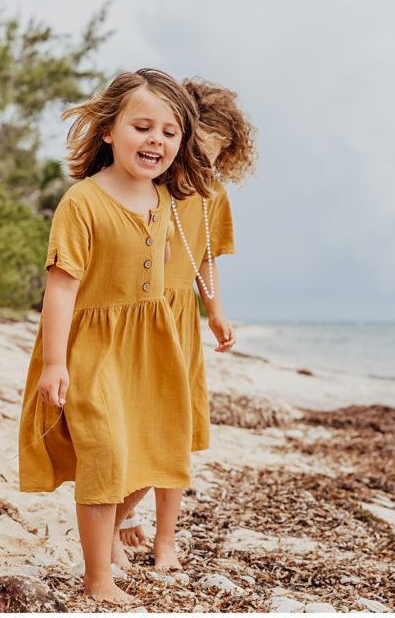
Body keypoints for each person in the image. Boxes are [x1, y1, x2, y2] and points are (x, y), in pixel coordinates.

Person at [17, 68, 213, 604]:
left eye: (170, 132)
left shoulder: (163, 202)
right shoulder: (83, 201)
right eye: (142, 126)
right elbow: (60, 290)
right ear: (109, 131)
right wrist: (55, 364)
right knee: (103, 457)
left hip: (151, 350)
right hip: (94, 352)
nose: (156, 140)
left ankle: (118, 536)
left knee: (155, 449)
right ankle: (97, 578)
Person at [117, 78, 258, 569]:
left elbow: (207, 258)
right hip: (141, 317)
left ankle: (166, 541)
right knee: (134, 429)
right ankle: (118, 517)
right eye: (198, 149)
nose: (206, 162)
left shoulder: (213, 196)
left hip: (181, 321)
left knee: (175, 432)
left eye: (217, 154)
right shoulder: (149, 187)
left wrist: (215, 312)